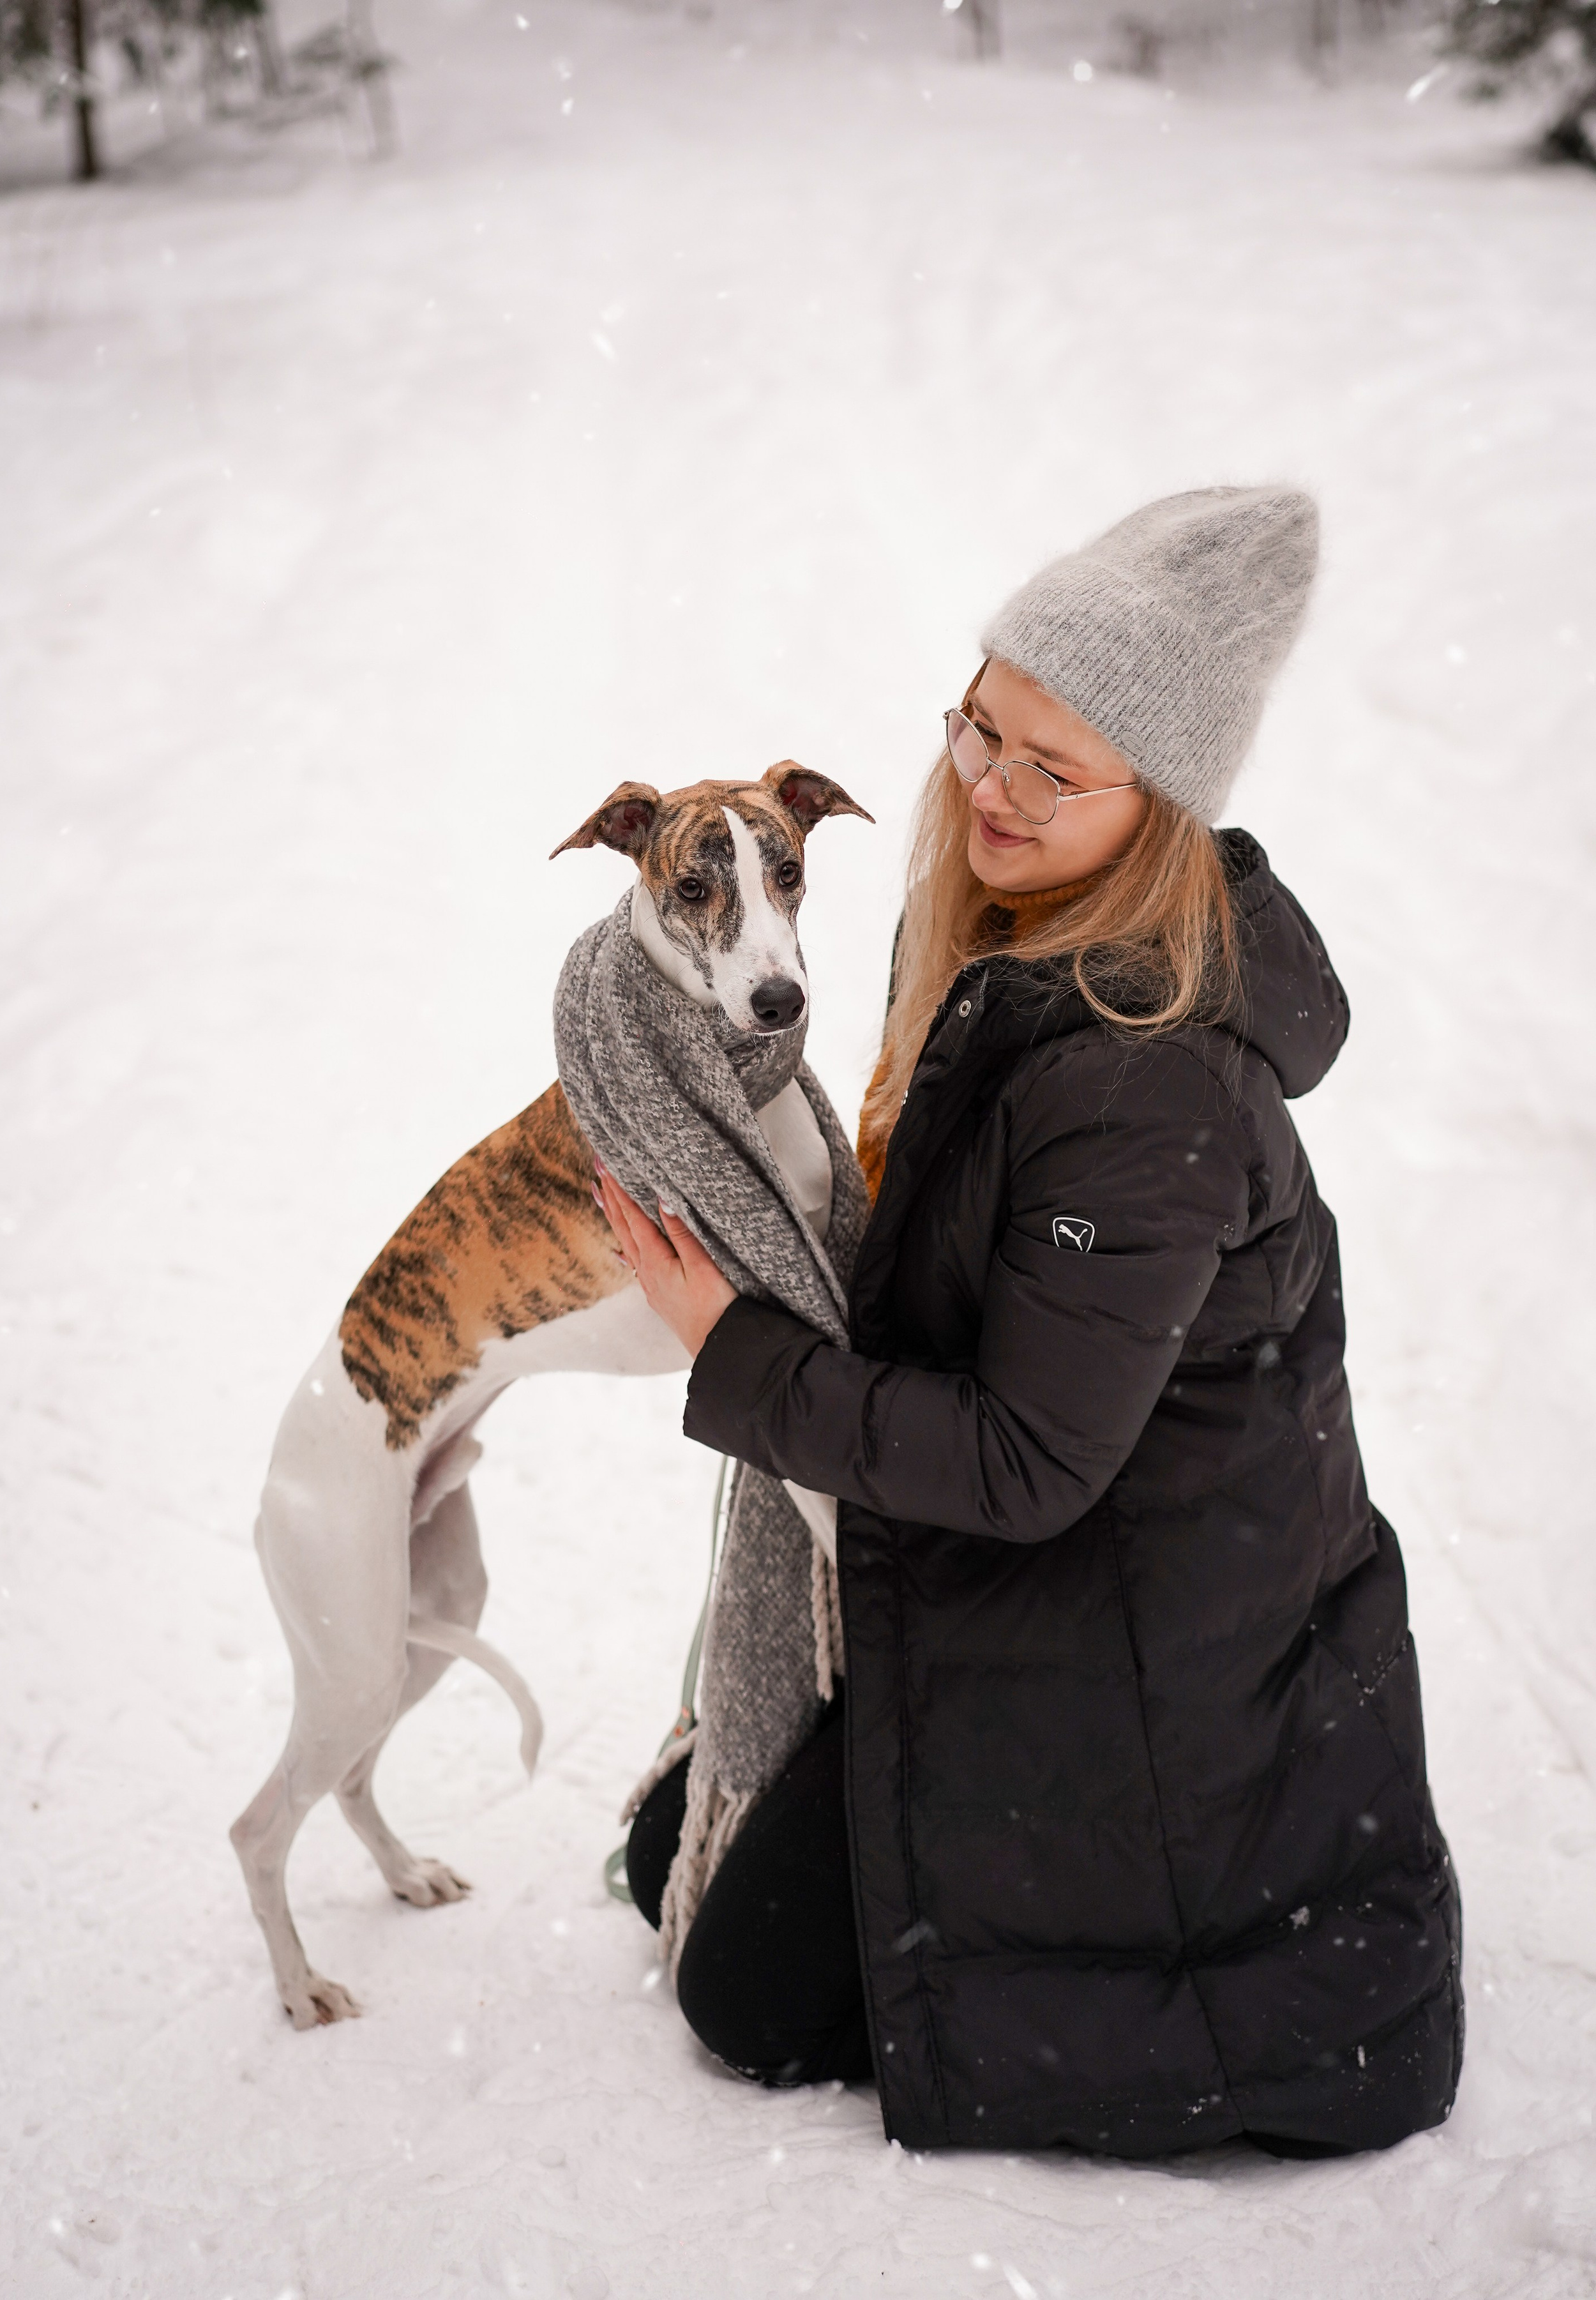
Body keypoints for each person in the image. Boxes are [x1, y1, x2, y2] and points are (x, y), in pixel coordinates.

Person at [602, 487, 1463, 2160]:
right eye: (981, 726)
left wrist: (740, 1352)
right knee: (670, 1864)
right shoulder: (1009, 939)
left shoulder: (1146, 1085)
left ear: (1161, 806)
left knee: (739, 1995)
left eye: (1051, 767)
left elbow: (1025, 1461)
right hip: (1066, 1593)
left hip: (1148, 1690)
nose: (989, 784)